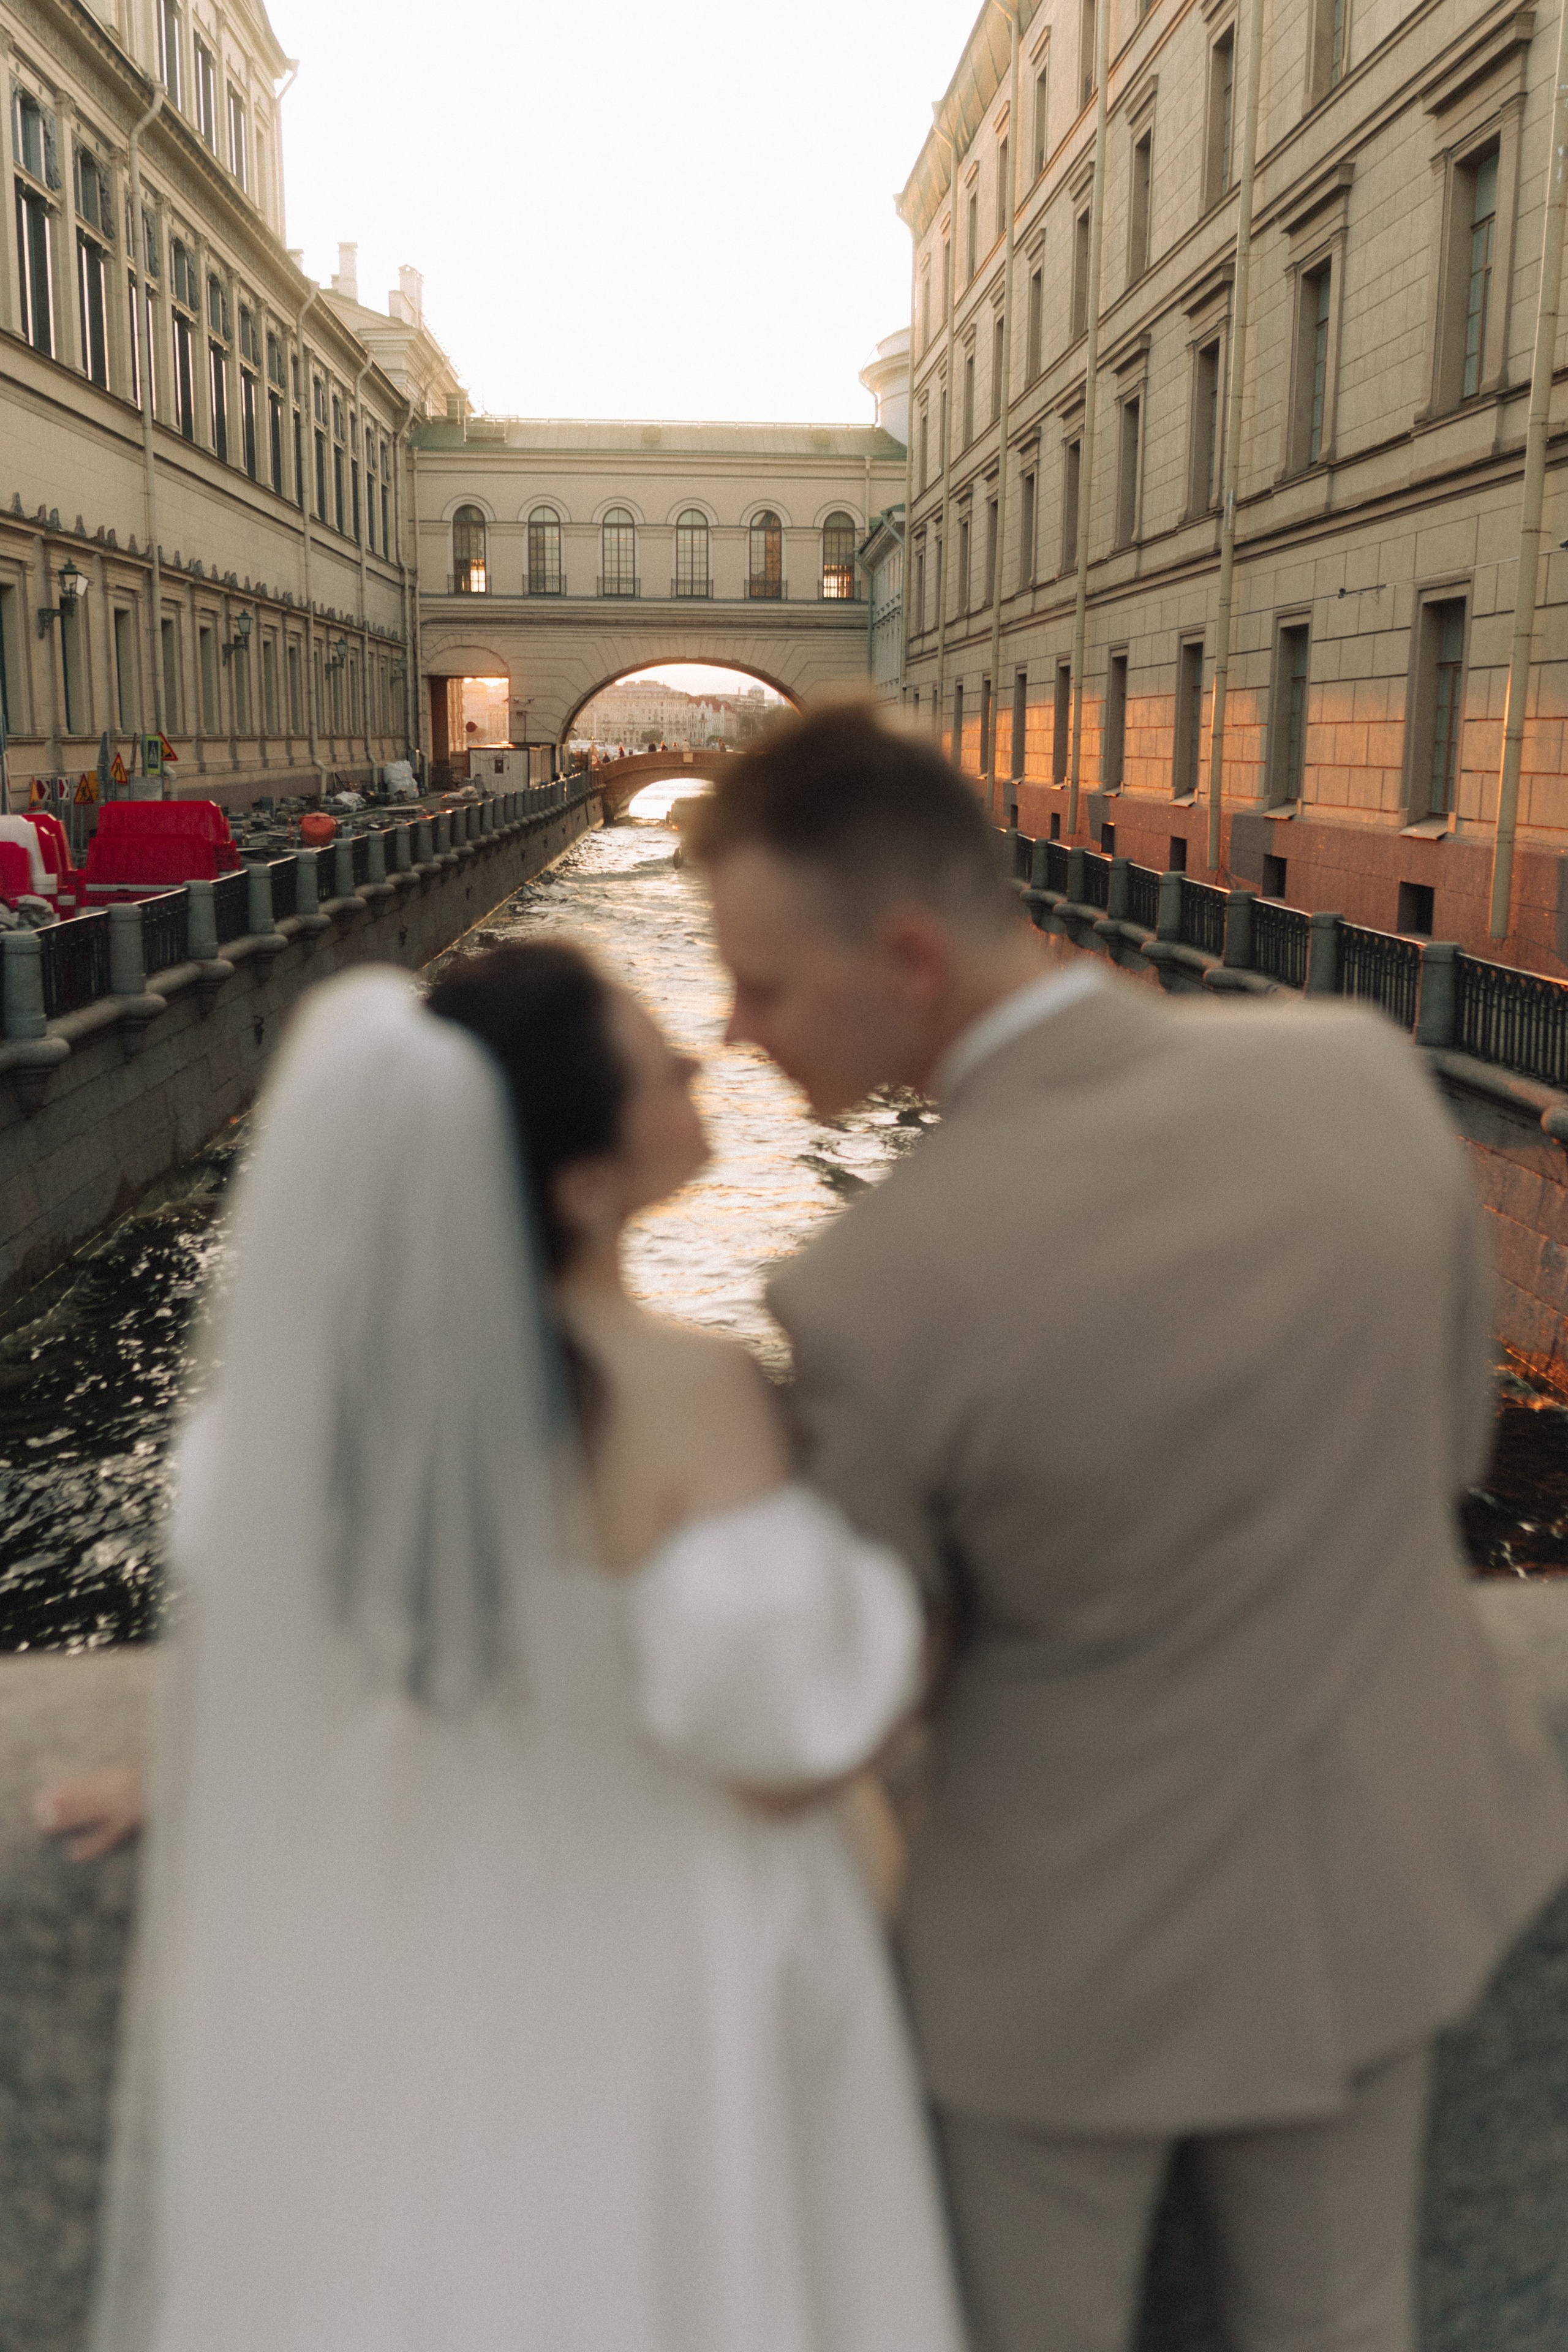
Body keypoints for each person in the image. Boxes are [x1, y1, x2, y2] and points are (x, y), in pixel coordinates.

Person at [685, 700, 1568, 2352]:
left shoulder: (869, 1287)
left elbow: (859, 1685)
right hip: (1379, 1876)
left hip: (1063, 1960)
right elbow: (1449, 1443)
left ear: (905, 958)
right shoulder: (1359, 1076)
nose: (736, 1028)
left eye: (762, 983)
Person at [91, 952, 966, 2352]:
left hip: (415, 1906)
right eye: (660, 1064)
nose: (698, 1064)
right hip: (668, 1946)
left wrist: (184, 1766)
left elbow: (309, 1643)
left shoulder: (325, 1408)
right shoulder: (688, 1390)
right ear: (582, 1182)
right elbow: (782, 1739)